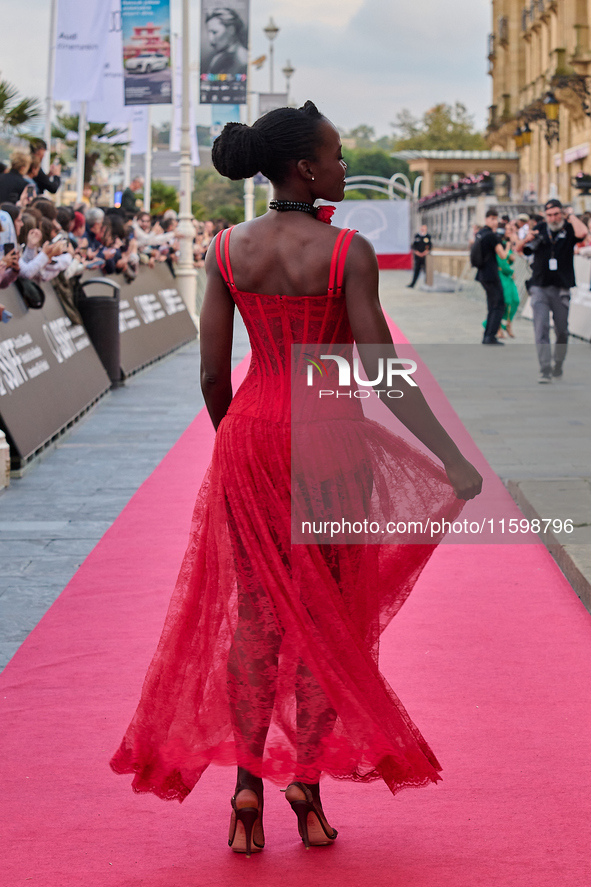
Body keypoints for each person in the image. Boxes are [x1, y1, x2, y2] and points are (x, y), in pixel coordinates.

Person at [110, 101, 482, 855]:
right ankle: (303, 788)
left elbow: (214, 371)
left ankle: (244, 784)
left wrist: (236, 445)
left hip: (251, 431)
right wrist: (448, 453)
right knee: (326, 619)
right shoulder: (346, 251)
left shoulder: (225, 249)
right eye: (338, 154)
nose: (344, 166)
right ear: (306, 169)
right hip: (329, 439)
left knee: (255, 617)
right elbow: (379, 372)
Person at [516, 198, 587, 382]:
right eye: (549, 215)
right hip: (539, 286)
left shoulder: (569, 228)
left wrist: (570, 215)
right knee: (541, 328)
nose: (553, 218)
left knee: (562, 331)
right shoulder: (539, 228)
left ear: (561, 213)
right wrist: (527, 239)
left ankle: (558, 363)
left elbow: (583, 232)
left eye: (556, 214)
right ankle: (545, 369)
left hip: (561, 288)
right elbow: (519, 250)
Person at [475, 208, 506, 345]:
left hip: (482, 273)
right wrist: (508, 244)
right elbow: (503, 255)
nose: (494, 222)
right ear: (487, 219)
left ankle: (488, 334)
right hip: (491, 274)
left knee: (491, 304)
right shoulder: (491, 236)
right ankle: (490, 336)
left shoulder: (480, 233)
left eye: (496, 219)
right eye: (492, 219)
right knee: (499, 305)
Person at [205, 8, 248, 75]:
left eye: (214, 32)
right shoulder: (217, 57)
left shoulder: (242, 60)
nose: (211, 40)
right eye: (209, 33)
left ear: (231, 30)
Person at [407, 224, 432, 288]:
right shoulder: (417, 236)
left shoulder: (428, 236)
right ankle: (412, 284)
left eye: (424, 229)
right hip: (418, 257)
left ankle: (427, 284)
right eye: (422, 229)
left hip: (425, 257)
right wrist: (417, 253)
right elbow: (414, 246)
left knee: (426, 271)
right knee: (416, 271)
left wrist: (425, 252)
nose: (423, 230)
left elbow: (429, 246)